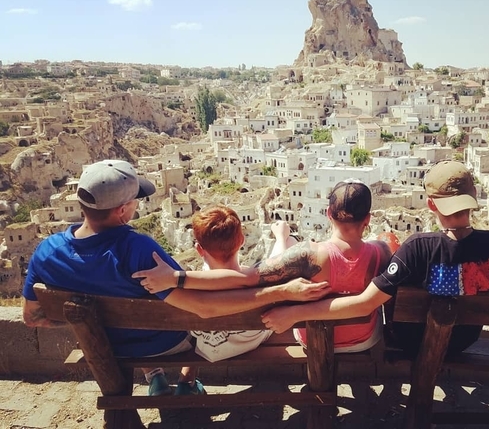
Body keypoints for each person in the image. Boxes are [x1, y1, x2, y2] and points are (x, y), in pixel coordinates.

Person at [22, 159, 330, 396]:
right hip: (166, 344)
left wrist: (89, 322)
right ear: (122, 210)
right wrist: (276, 291)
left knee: (136, 311)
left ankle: (153, 375)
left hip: (105, 345)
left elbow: (32, 318)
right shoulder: (139, 250)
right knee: (180, 320)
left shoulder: (46, 253)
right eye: (135, 201)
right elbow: (204, 309)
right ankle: (179, 378)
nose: (137, 204)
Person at [261, 160, 489, 358]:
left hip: (412, 342)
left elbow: (363, 305)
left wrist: (297, 312)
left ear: (431, 206)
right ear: (474, 200)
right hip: (462, 341)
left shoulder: (417, 248)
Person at [134, 179, 394, 353]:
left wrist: (177, 278)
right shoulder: (381, 251)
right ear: (368, 218)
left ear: (328, 214)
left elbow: (243, 278)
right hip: (363, 340)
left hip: (313, 342)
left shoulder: (308, 255)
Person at [186, 205, 297, 364]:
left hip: (209, 349)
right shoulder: (259, 280)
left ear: (199, 249)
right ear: (242, 241)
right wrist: (280, 237)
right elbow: (277, 264)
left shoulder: (189, 287)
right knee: (289, 241)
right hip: (251, 341)